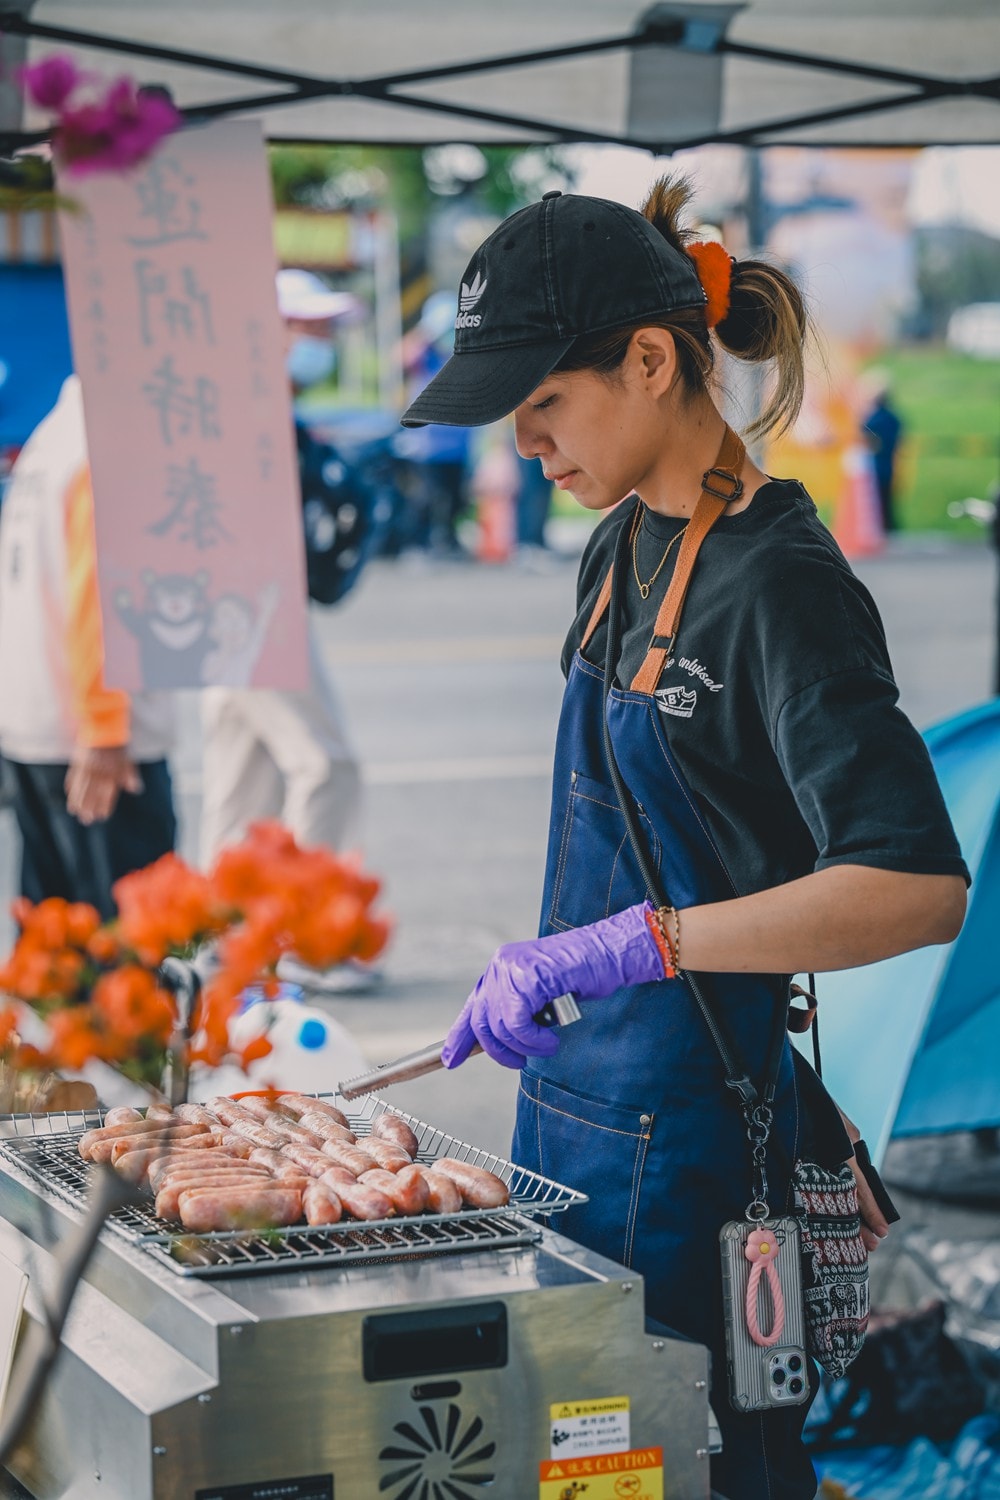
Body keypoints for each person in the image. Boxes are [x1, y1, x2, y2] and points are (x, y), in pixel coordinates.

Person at [402, 181, 969, 1499]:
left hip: (708, 1166)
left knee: (709, 1467)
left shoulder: (785, 586)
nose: (526, 446)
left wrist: (641, 944)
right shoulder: (615, 548)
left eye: (544, 406)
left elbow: (916, 886)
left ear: (650, 361)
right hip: (574, 1135)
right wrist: (554, 967)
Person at [198, 269, 373, 991]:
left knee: (244, 779)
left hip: (225, 611)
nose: (322, 342)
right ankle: (296, 938)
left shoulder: (243, 408)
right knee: (326, 766)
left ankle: (216, 941)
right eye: (308, 328)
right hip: (252, 609)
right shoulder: (249, 411)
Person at [0, 375, 176, 917]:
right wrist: (104, 728)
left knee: (58, 946)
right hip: (98, 742)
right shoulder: (109, 444)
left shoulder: (53, 435)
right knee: (127, 949)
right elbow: (101, 589)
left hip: (36, 726)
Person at [401, 291, 472, 556]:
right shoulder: (425, 355)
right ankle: (418, 545)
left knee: (455, 499)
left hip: (457, 444)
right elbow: (402, 356)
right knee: (425, 499)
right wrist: (426, 331)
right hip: (426, 445)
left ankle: (448, 541)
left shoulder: (459, 355)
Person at [861, 371, 904, 533]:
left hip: (874, 465)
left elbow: (866, 439)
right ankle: (890, 528)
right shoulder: (894, 418)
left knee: (876, 501)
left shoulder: (873, 419)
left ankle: (882, 529)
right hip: (889, 463)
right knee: (887, 501)